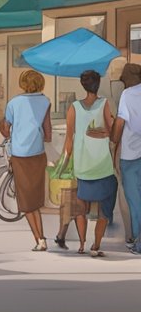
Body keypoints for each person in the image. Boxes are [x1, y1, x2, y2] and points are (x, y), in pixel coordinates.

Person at [61, 70, 119, 257]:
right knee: (104, 206)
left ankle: (81, 244)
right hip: (102, 164)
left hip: (82, 166)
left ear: (83, 85)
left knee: (80, 207)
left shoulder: (74, 108)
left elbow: (68, 141)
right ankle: (96, 244)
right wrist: (104, 132)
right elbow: (112, 132)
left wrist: (63, 165)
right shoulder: (104, 104)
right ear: (98, 84)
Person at [0, 69, 54, 251]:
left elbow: (5, 129)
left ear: (23, 84)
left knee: (26, 201)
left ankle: (39, 238)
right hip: (38, 154)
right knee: (36, 198)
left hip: (20, 155)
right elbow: (48, 133)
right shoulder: (46, 102)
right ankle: (41, 237)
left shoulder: (13, 103)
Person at [116, 63, 141, 254]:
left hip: (130, 155)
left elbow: (120, 123)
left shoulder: (127, 95)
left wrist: (112, 141)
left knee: (134, 200)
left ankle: (138, 242)